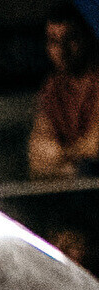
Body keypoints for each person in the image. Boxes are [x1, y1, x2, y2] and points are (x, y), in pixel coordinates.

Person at [35, 4, 99, 179]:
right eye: (54, 41)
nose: (62, 50)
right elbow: (37, 157)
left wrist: (61, 156)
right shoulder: (52, 88)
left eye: (71, 39)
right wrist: (73, 158)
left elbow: (95, 147)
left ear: (87, 39)